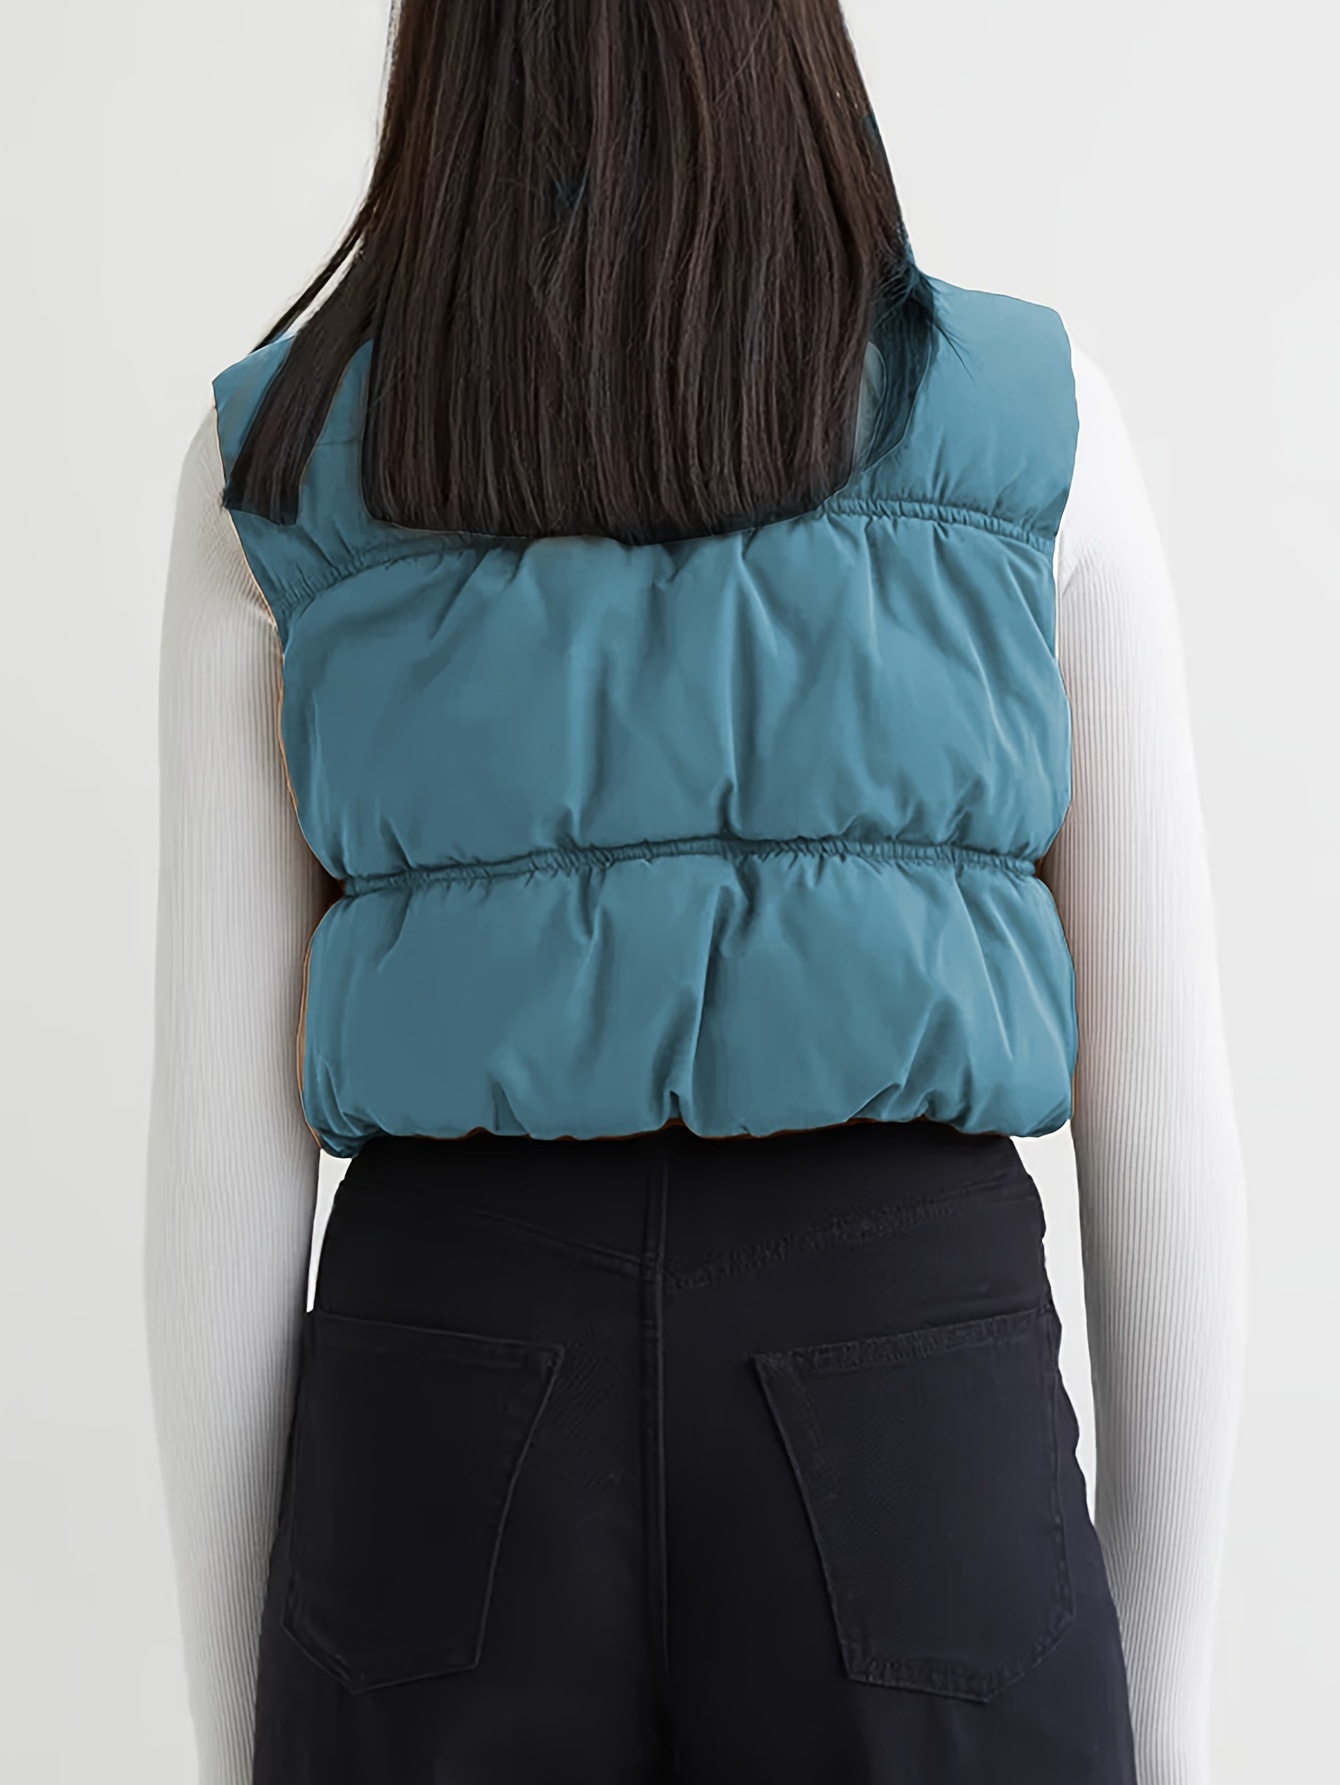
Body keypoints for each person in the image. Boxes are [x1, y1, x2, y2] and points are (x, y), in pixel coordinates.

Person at [143, 4, 1249, 1783]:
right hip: (909, 1387)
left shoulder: (274, 467)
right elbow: (1165, 1108)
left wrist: (236, 1729)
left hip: (448, 1390)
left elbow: (219, 1151)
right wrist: (1167, 1712)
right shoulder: (1041, 434)